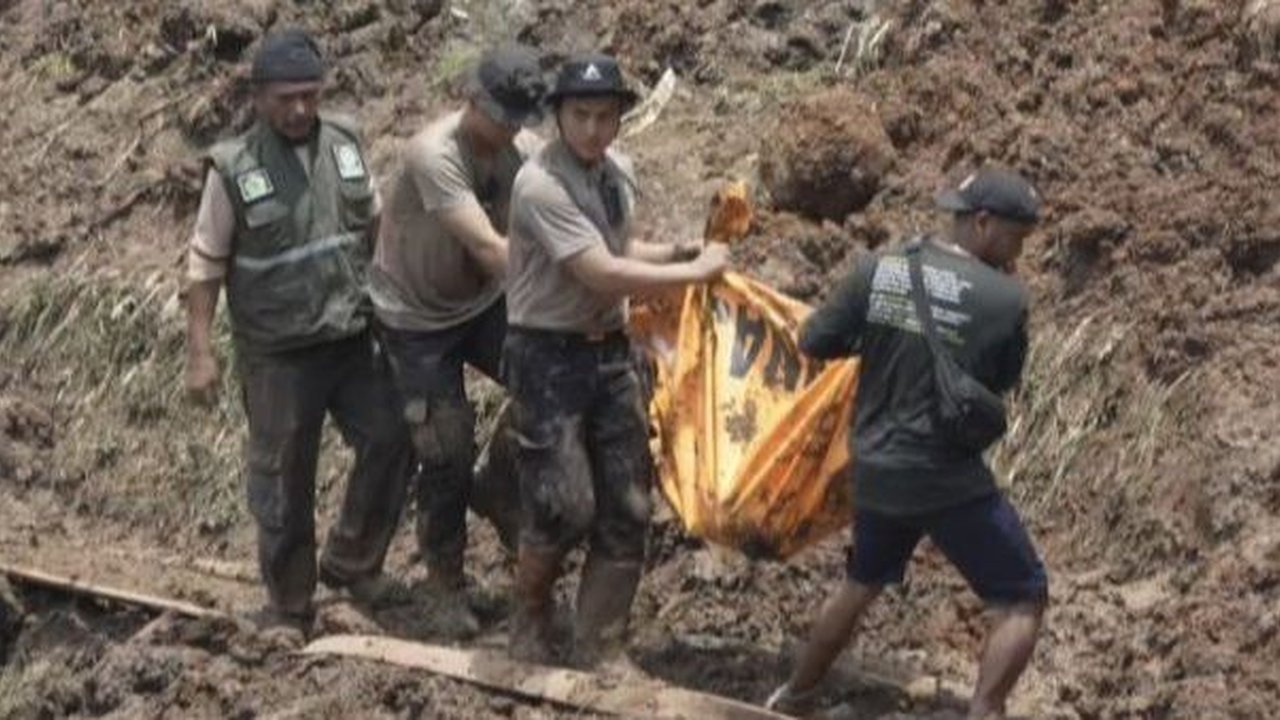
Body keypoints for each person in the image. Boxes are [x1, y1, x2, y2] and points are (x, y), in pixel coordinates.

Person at [769, 167, 1050, 718]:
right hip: (945, 478)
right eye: (1015, 238)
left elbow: (816, 340)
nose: (1017, 253)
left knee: (860, 583)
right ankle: (986, 710)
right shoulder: (1005, 301)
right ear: (984, 223)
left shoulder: (878, 270)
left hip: (875, 466)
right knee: (1022, 593)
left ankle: (795, 695)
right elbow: (996, 383)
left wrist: (881, 335)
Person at [183, 28, 413, 638]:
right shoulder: (234, 169)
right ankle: (289, 604)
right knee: (284, 478)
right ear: (257, 97)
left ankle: (353, 562)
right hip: (278, 355)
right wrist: (201, 352)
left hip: (349, 335)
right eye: (286, 98)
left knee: (393, 438)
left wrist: (394, 303)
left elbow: (373, 224)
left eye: (310, 96)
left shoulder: (344, 143)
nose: (299, 110)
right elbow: (205, 265)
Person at [503, 53, 730, 667]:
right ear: (557, 116)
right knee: (563, 504)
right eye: (581, 116)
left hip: (607, 353)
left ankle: (599, 643)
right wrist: (690, 273)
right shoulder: (539, 185)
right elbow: (600, 272)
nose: (595, 130)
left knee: (629, 505)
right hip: (546, 352)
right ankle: (527, 617)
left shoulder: (614, 172)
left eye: (606, 117)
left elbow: (621, 246)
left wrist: (678, 250)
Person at [368, 45, 548, 637]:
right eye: (502, 117)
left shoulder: (520, 149)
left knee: (548, 381)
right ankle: (443, 584)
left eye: (520, 120)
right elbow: (492, 250)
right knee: (444, 446)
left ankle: (499, 482)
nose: (510, 131)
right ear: (472, 102)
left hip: (478, 304)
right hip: (415, 316)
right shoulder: (433, 154)